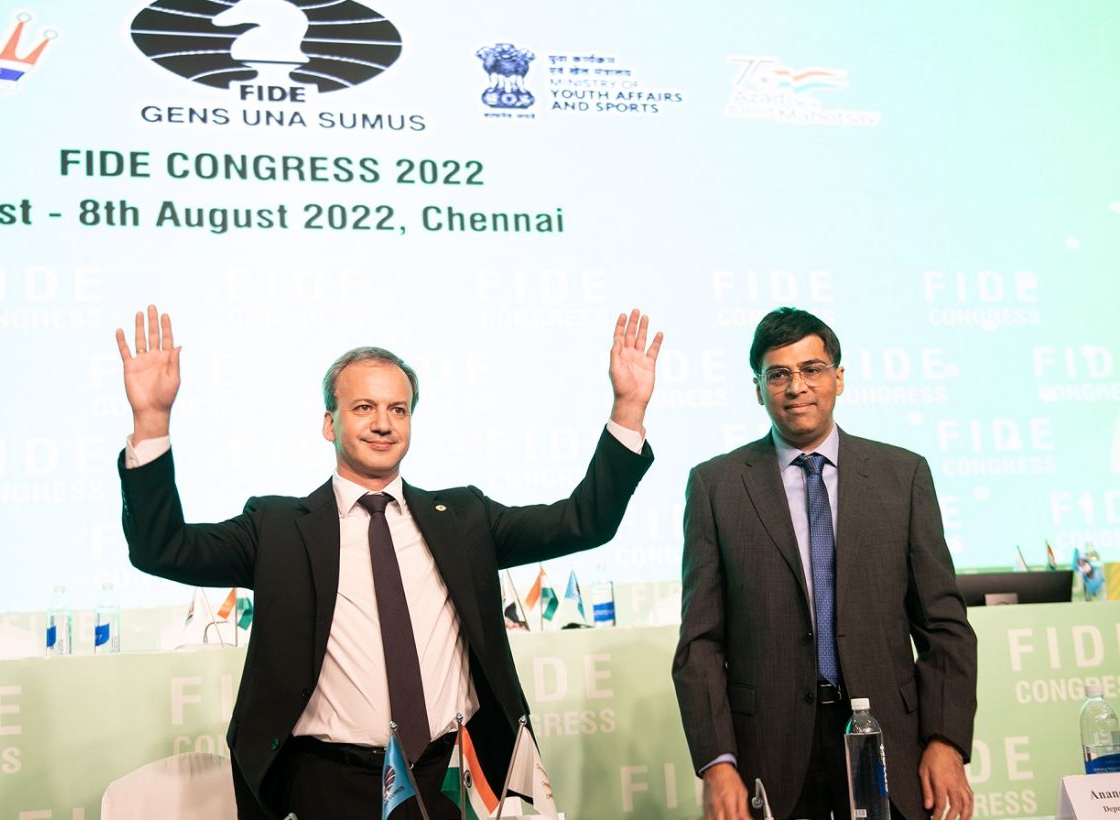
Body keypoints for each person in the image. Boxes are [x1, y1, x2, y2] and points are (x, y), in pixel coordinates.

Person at [115, 305, 661, 819]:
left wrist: (629, 409)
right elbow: (163, 548)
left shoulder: (464, 517)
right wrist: (151, 420)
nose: (383, 423)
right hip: (330, 783)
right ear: (329, 424)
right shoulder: (277, 527)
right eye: (364, 407)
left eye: (398, 409)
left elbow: (583, 521)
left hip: (451, 778)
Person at [672, 307, 976, 820]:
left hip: (890, 743)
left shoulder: (902, 476)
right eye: (778, 374)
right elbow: (700, 643)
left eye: (811, 369)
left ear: (839, 378)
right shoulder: (716, 486)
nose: (796, 387)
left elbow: (945, 626)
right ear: (758, 389)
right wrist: (717, 763)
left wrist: (945, 740)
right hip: (769, 753)